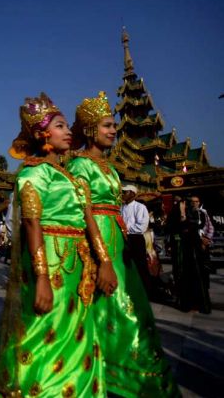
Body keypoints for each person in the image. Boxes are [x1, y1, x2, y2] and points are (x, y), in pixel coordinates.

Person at [68, 92, 179, 397]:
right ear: (90, 130)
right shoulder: (80, 168)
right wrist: (102, 261)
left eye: (113, 125)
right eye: (106, 125)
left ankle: (127, 380)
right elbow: (84, 216)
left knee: (136, 312)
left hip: (119, 244)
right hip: (98, 247)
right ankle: (121, 382)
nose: (113, 130)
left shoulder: (110, 168)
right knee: (120, 314)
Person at [0, 93, 104, 397]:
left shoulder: (68, 176)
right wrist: (41, 276)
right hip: (51, 263)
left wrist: (100, 261)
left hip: (76, 265)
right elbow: (31, 224)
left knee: (78, 328)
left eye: (67, 125)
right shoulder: (33, 174)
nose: (68, 131)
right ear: (43, 134)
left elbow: (86, 219)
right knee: (45, 330)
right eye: (59, 126)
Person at [173, 196, 212, 314]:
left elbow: (199, 226)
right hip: (186, 247)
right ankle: (188, 303)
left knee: (198, 275)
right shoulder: (182, 214)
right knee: (187, 275)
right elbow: (177, 227)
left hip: (195, 247)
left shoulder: (199, 213)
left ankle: (200, 304)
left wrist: (185, 220)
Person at [121, 185, 153, 297]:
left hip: (136, 239)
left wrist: (125, 229)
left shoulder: (140, 207)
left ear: (132, 194)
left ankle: (145, 292)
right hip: (124, 239)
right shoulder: (121, 207)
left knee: (140, 266)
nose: (122, 194)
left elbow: (142, 227)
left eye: (125, 192)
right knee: (126, 265)